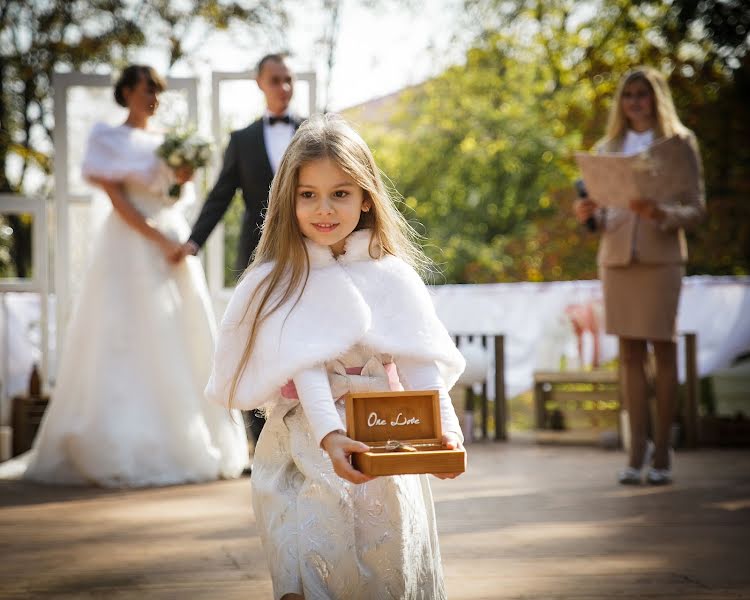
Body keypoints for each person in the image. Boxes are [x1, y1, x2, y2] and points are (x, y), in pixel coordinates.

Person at [205, 114, 466, 599]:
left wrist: (443, 433)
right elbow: (303, 360)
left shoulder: (392, 276)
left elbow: (418, 358)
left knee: (379, 559)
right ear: (289, 198)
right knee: (309, 558)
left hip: (381, 443)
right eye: (308, 195)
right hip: (308, 442)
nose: (324, 209)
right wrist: (329, 435)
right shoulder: (283, 279)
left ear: (366, 197)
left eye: (340, 193)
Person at [0, 65, 249, 487]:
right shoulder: (108, 137)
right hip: (130, 242)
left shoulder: (168, 141)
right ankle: (121, 440)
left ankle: (185, 437)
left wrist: (181, 184)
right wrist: (155, 237)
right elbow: (117, 198)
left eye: (157, 89)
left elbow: (173, 196)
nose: (153, 95)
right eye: (146, 87)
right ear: (127, 91)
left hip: (172, 241)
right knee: (123, 334)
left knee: (177, 335)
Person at [574, 66, 705, 486]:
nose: (634, 101)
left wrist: (662, 214)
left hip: (661, 256)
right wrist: (587, 216)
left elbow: (697, 208)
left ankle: (663, 454)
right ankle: (635, 455)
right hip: (615, 259)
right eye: (628, 94)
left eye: (642, 94)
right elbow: (602, 208)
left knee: (663, 352)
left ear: (656, 98)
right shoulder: (607, 146)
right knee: (628, 356)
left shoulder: (680, 144)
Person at [176, 53, 301, 444]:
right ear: (260, 83)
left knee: (303, 334)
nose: (283, 87)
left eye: (288, 79)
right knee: (254, 339)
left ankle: (309, 434)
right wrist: (193, 241)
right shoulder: (242, 140)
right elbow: (220, 195)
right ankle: (259, 440)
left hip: (310, 250)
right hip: (257, 251)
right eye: (276, 79)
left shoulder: (314, 132)